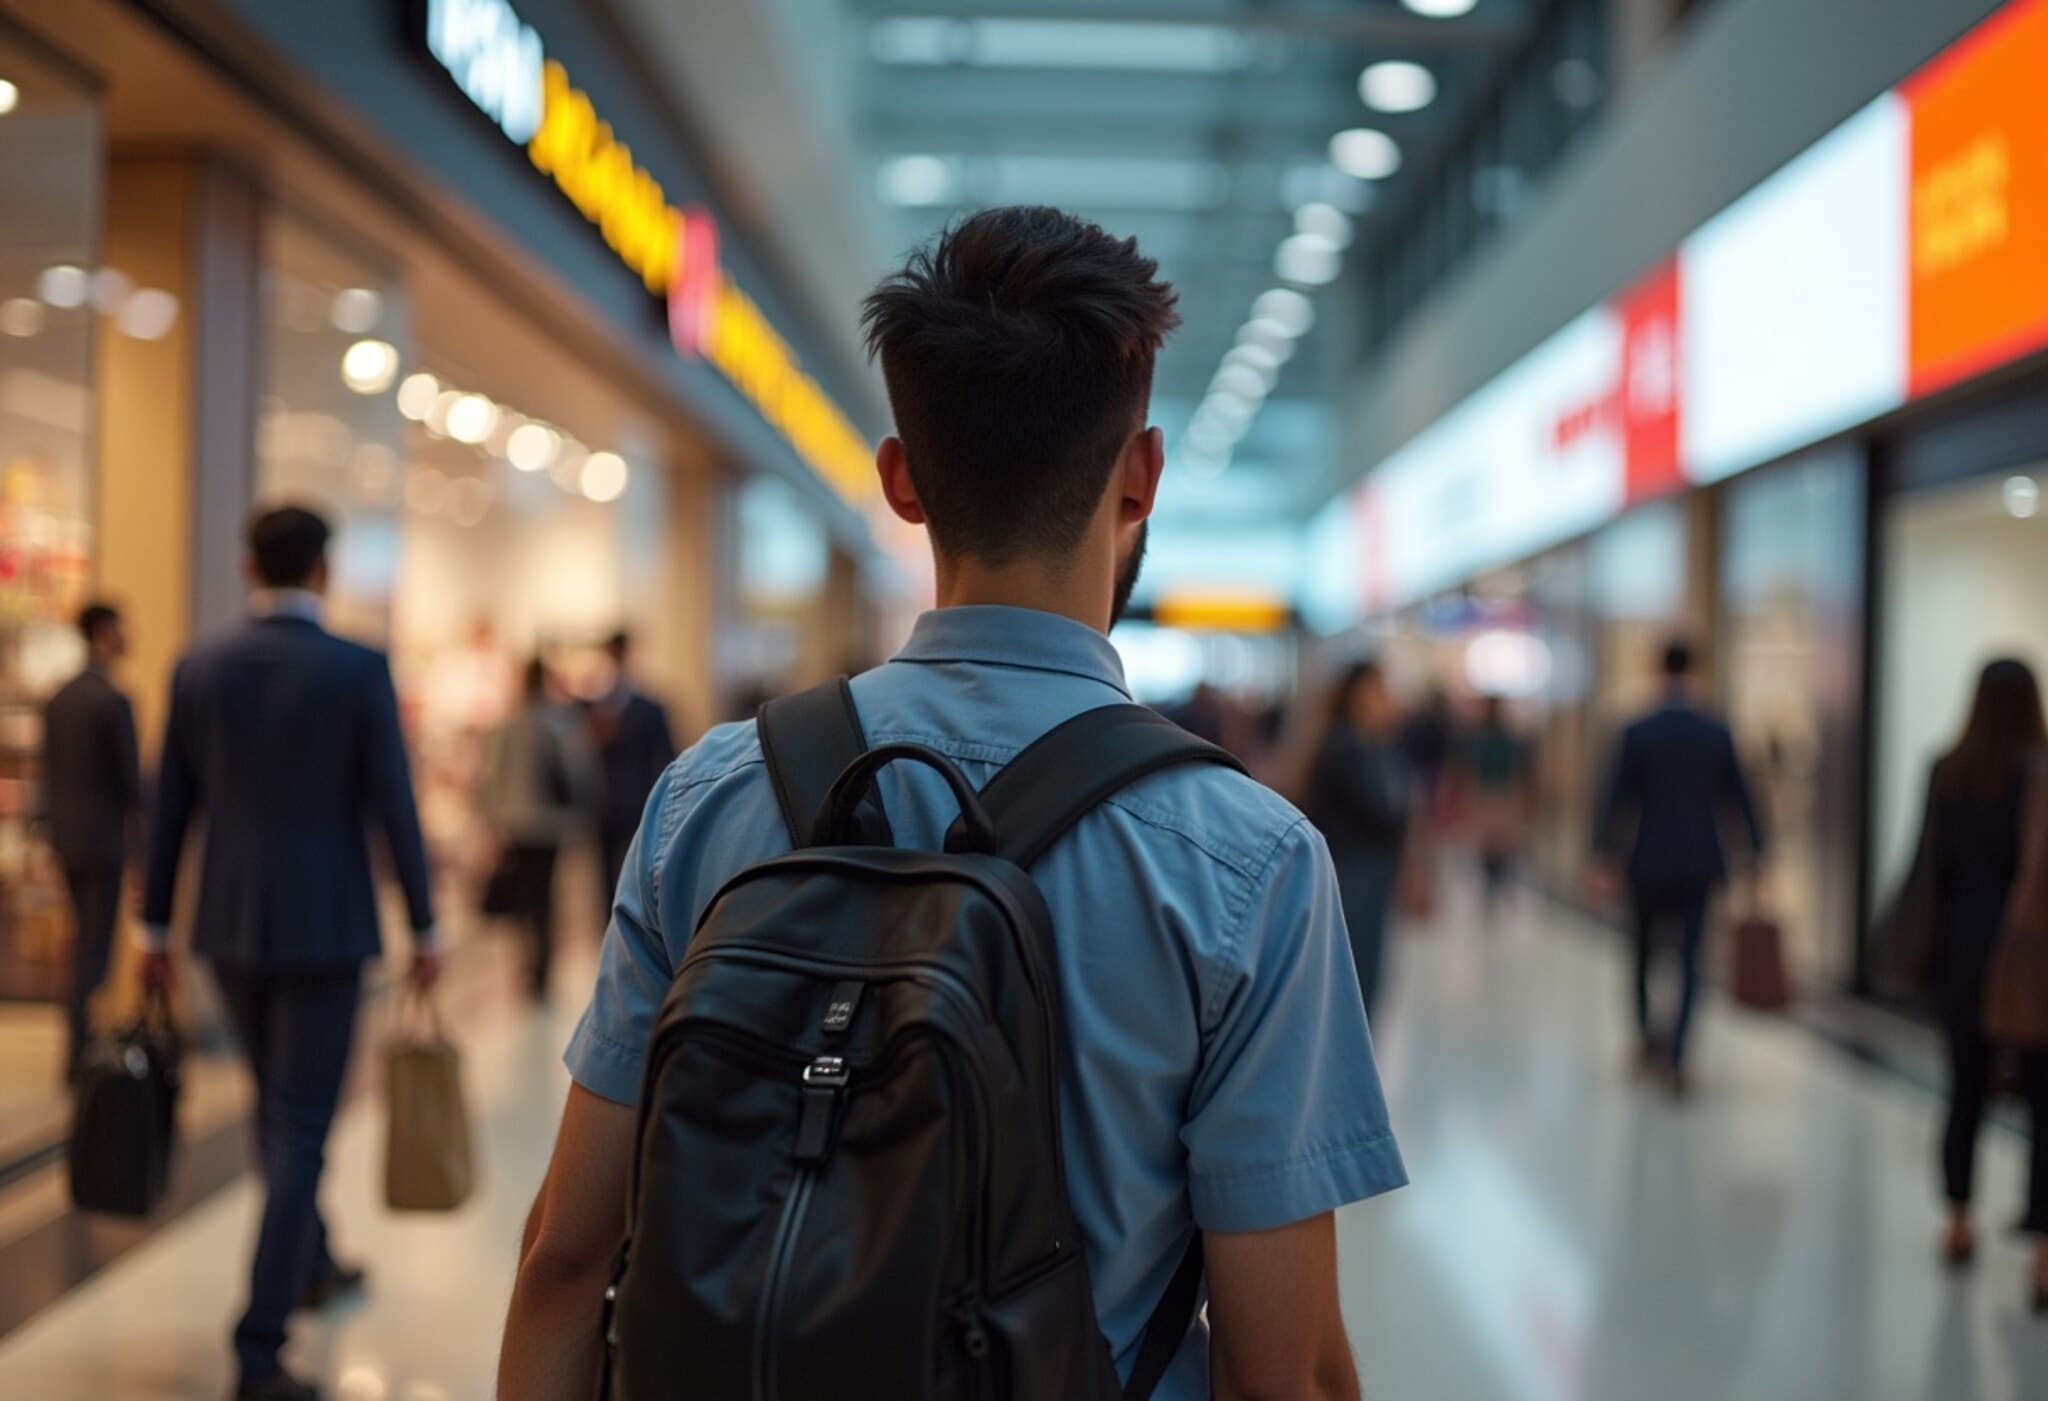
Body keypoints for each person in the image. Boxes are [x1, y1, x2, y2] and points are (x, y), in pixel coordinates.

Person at [499, 206, 1403, 1400]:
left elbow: (569, 1253)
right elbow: (1277, 1369)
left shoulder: (709, 798)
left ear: (901, 480)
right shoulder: (1247, 861)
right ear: (1139, 478)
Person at [141, 505, 438, 1401]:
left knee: (281, 1110)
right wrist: (425, 926)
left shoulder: (199, 667)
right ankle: (260, 1344)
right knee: (302, 1126)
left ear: (246, 566)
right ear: (324, 571)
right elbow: (394, 802)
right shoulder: (357, 669)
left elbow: (169, 810)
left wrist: (150, 926)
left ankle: (311, 1261)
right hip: (327, 925)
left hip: (228, 925)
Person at [1899, 658, 2048, 1309]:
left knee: (1965, 1087)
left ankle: (1958, 1218)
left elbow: (1928, 865)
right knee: (2046, 1099)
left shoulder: (1947, 770)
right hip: (2032, 956)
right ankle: (2044, 1255)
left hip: (1963, 946)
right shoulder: (2040, 773)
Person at [1594, 639, 1765, 1097]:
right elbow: (1740, 797)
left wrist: (1603, 854)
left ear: (1657, 669)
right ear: (1696, 669)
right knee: (1691, 959)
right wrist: (1756, 852)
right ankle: (1678, 1055)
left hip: (1646, 859)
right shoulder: (1715, 730)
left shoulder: (1638, 730)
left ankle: (1648, 1039)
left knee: (1642, 953)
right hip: (1699, 861)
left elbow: (1614, 798)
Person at [41, 601, 142, 1081]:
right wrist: (142, 849)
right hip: (102, 841)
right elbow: (131, 785)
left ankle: (79, 1039)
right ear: (104, 632)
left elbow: (48, 776)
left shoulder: (60, 698)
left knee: (83, 939)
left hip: (67, 838)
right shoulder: (111, 701)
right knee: (94, 946)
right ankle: (81, 1046)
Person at [482, 655, 595, 1002]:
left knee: (525, 894)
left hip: (516, 822)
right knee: (543, 895)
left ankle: (530, 961)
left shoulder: (510, 724)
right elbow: (577, 772)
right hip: (548, 824)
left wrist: (491, 818)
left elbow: (493, 776)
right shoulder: (557, 724)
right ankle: (540, 964)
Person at [1304, 660, 1411, 1015]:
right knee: (1356, 972)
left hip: (1369, 872)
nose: (1386, 700)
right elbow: (1382, 815)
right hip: (1351, 872)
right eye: (1378, 690)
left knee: (1367, 971)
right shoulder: (1344, 749)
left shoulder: (1375, 748)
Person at [585, 630, 675, 930]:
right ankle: (609, 927)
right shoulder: (597, 704)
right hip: (605, 804)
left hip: (639, 802)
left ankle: (637, 924)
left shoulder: (648, 706)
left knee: (639, 870)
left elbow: (667, 757)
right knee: (605, 877)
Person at [1457, 695, 1536, 915]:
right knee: (1492, 844)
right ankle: (1494, 880)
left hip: (1498, 794)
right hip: (1492, 794)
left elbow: (1520, 770)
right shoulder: (1484, 739)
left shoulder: (1500, 739)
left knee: (1499, 844)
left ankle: (1496, 880)